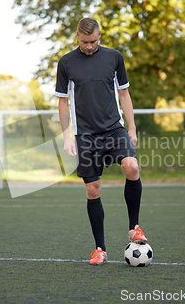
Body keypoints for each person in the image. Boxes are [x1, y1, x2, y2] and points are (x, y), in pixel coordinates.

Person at [55, 17, 147, 265]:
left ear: (100, 36)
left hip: (113, 129)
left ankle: (134, 227)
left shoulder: (114, 57)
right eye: (84, 42)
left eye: (93, 41)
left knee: (132, 166)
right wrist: (67, 136)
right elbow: (63, 101)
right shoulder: (66, 63)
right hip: (85, 135)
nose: (89, 46)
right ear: (77, 36)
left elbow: (124, 93)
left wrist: (132, 128)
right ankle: (100, 249)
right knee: (92, 189)